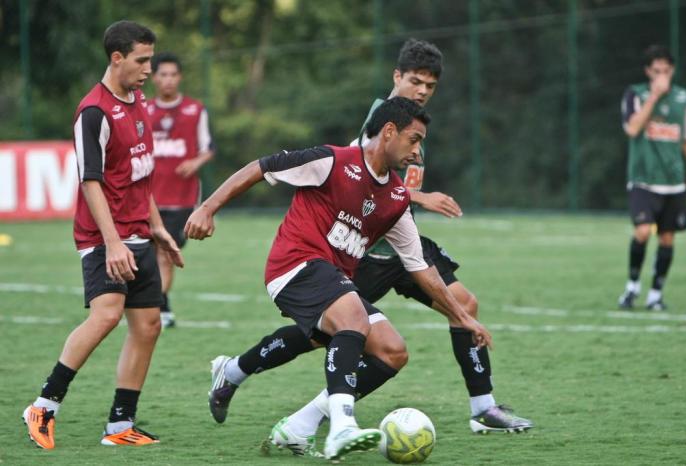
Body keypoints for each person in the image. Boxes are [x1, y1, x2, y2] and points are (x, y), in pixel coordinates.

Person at [206, 40, 531, 451]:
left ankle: (301, 422)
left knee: (401, 341)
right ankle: (312, 411)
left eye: (430, 84)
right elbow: (355, 176)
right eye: (416, 81)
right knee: (334, 329)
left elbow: (393, 209)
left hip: (387, 241)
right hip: (338, 256)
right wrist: (207, 208)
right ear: (397, 79)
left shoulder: (410, 144)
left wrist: (463, 319)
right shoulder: (377, 128)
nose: (423, 90)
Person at [22, 20, 183, 449]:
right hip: (103, 235)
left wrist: (158, 229)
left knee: (148, 324)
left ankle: (119, 426)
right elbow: (90, 180)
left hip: (137, 231)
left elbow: (140, 174)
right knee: (107, 315)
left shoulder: (138, 99)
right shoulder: (93, 111)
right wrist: (112, 242)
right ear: (117, 58)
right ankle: (44, 405)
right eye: (142, 60)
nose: (149, 68)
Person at [618, 45, 686, 311]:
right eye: (657, 71)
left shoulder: (682, 98)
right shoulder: (636, 94)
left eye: (666, 71)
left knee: (667, 239)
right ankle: (632, 288)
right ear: (648, 72)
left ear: (672, 70)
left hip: (673, 181)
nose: (662, 75)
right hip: (643, 179)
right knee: (642, 232)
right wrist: (654, 96)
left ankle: (655, 294)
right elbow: (632, 128)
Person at [147, 52, 214, 328]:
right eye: (163, 74)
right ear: (154, 78)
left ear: (180, 77)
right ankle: (160, 307)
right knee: (148, 254)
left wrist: (194, 162)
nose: (168, 80)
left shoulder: (195, 110)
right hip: (148, 198)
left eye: (173, 74)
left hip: (182, 199)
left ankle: (160, 305)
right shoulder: (143, 110)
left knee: (165, 252)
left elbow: (208, 148)